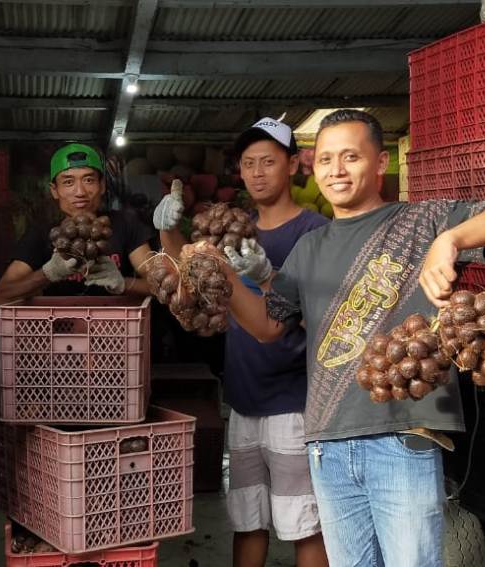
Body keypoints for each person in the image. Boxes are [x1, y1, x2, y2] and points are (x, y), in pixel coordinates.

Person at [222, 109, 485, 567]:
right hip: (326, 443)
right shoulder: (309, 247)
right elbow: (266, 326)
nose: (336, 170)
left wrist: (449, 240)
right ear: (313, 167)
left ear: (379, 164)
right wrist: (226, 274)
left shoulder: (420, 222)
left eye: (351, 156)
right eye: (327, 159)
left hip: (403, 435)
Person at [152, 118, 329, 567]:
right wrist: (169, 232)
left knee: (305, 524)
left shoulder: (314, 231)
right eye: (248, 163)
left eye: (268, 161)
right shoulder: (234, 226)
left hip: (296, 401)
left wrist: (269, 277)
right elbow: (189, 276)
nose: (257, 172)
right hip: (244, 398)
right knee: (248, 520)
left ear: (292, 165)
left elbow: (321, 316)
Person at [0, 143, 154, 306]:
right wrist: (48, 273)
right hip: (59, 327)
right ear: (54, 190)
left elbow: (161, 287)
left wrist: (122, 283)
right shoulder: (41, 234)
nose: (80, 192)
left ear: (102, 185)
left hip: (118, 327)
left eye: (89, 180)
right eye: (68, 182)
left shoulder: (126, 224)